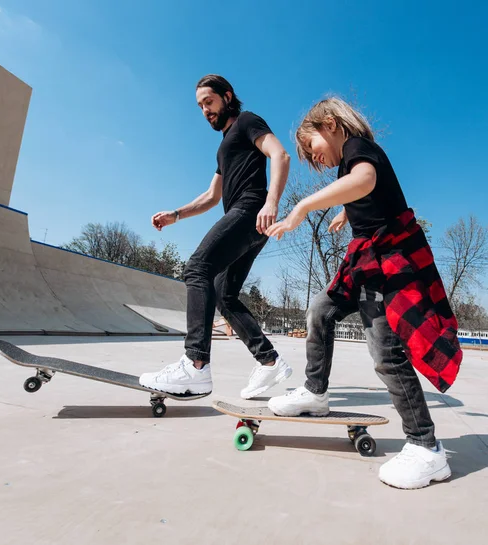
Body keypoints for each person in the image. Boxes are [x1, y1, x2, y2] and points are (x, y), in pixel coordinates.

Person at [265, 97, 462, 489]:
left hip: (386, 264)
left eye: (311, 146)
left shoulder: (359, 148)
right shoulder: (348, 161)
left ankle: (426, 447)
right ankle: (315, 392)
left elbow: (366, 180)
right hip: (364, 260)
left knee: (385, 353)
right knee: (320, 310)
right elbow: (362, 190)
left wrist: (304, 205)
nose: (312, 158)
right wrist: (345, 209)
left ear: (331, 124)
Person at [139, 75, 292, 399]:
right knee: (224, 293)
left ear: (227, 96)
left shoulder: (248, 122)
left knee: (197, 268)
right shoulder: (224, 146)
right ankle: (269, 361)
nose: (205, 110)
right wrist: (176, 214)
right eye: (200, 106)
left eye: (209, 102)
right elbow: (211, 195)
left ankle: (195, 365)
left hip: (252, 209)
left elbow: (280, 155)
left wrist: (271, 201)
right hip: (245, 217)